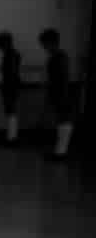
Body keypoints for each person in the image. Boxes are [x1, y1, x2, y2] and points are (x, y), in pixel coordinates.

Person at [40, 28, 74, 160]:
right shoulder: (59, 57)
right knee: (62, 121)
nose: (43, 47)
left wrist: (54, 96)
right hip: (60, 94)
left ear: (51, 42)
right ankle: (60, 151)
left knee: (64, 121)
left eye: (44, 44)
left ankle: (61, 153)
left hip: (61, 94)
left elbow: (59, 79)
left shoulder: (58, 58)